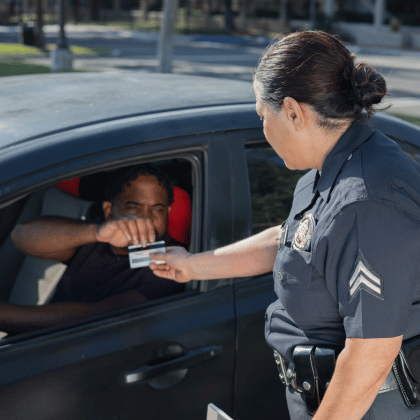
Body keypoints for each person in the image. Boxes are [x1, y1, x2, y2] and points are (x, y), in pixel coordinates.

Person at [150, 31, 420, 420]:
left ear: (293, 111)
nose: (262, 127)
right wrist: (191, 265)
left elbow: (370, 355)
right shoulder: (330, 165)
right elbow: (292, 240)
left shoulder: (367, 202)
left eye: (263, 115)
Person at [6, 164, 184, 336]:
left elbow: (92, 317)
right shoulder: (100, 237)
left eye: (157, 209)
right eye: (133, 208)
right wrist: (96, 232)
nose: (146, 218)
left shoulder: (173, 260)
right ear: (108, 210)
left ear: (168, 211)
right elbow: (21, 236)